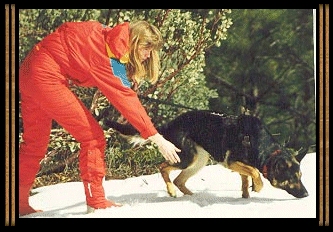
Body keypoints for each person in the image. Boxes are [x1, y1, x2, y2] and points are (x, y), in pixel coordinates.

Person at [19, 20, 181, 216]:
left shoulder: (109, 37)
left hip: (29, 69)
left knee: (34, 145)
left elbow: (77, 43)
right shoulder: (109, 58)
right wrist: (157, 138)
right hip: (46, 76)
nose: (147, 55)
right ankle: (96, 201)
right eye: (146, 49)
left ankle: (17, 203)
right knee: (93, 138)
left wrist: (125, 81)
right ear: (134, 41)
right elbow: (125, 99)